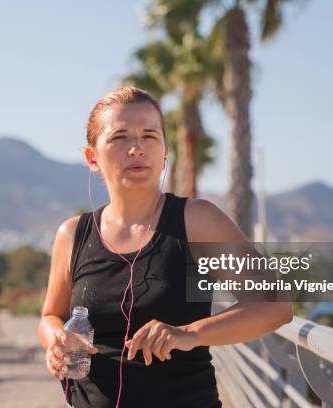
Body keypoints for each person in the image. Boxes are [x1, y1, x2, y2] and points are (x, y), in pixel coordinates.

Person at [37, 86, 293, 407]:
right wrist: (55, 340)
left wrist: (190, 333)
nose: (137, 149)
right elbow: (50, 315)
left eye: (149, 136)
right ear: (93, 158)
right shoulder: (72, 234)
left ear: (165, 151)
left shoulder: (196, 220)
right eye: (120, 137)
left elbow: (275, 306)